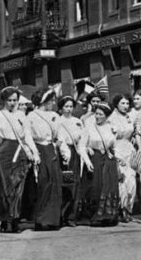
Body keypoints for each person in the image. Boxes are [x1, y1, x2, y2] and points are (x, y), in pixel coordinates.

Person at [0, 87, 39, 233]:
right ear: (4, 101)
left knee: (18, 186)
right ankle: (6, 220)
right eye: (9, 100)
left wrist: (34, 152)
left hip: (19, 151)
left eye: (15, 100)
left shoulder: (22, 116)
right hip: (4, 152)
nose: (12, 103)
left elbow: (27, 136)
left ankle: (15, 219)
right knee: (5, 186)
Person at [78, 102, 120, 227]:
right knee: (95, 187)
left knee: (109, 186)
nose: (97, 116)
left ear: (106, 116)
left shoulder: (112, 128)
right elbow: (81, 146)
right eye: (96, 113)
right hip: (94, 158)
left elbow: (114, 145)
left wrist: (116, 155)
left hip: (108, 159)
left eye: (101, 114)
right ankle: (95, 216)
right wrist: (87, 160)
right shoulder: (89, 128)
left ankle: (109, 216)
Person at [27, 88, 63, 230]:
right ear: (44, 101)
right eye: (51, 100)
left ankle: (53, 219)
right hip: (38, 148)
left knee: (54, 182)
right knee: (42, 183)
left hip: (51, 149)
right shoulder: (31, 116)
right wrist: (34, 152)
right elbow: (28, 135)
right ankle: (40, 219)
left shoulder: (55, 115)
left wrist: (59, 145)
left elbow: (59, 134)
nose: (53, 103)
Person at [108, 94, 137, 222]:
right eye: (122, 103)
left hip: (129, 149)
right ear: (116, 104)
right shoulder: (111, 119)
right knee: (122, 180)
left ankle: (129, 208)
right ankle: (121, 209)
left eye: (127, 103)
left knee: (131, 180)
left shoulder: (130, 117)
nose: (125, 106)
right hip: (118, 149)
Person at [56, 96, 84, 227]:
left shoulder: (77, 121)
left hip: (75, 152)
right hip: (62, 153)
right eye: (66, 106)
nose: (68, 109)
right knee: (64, 184)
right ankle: (61, 215)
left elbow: (83, 137)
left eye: (71, 106)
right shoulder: (57, 121)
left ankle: (72, 216)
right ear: (61, 108)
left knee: (75, 184)